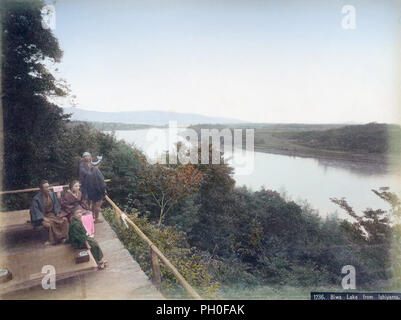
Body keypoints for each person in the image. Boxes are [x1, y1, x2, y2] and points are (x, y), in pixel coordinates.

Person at [30, 180, 69, 245]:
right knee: (49, 224)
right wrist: (43, 218)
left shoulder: (52, 194)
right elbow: (35, 210)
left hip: (52, 214)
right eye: (45, 187)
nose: (48, 189)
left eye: (48, 187)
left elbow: (56, 204)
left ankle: (63, 237)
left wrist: (57, 213)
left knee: (64, 220)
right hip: (42, 216)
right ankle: (53, 240)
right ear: (41, 189)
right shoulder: (36, 199)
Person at [85, 156, 106, 224]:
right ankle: (96, 219)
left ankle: (92, 217)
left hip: (90, 191)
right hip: (97, 192)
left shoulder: (89, 170)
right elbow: (102, 183)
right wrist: (103, 191)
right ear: (98, 163)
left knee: (93, 204)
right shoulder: (97, 171)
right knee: (97, 205)